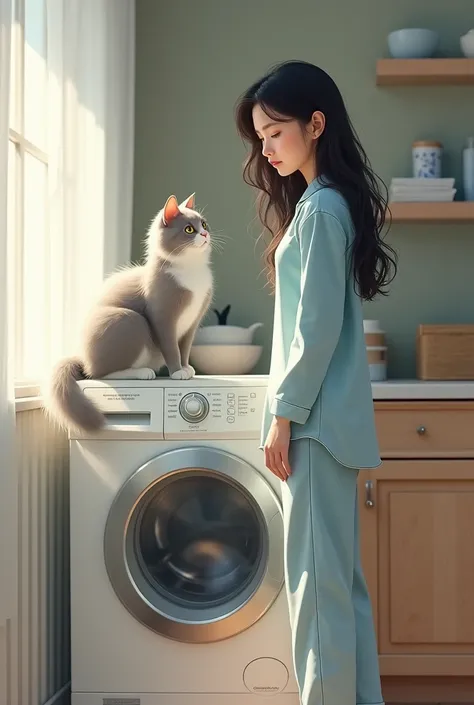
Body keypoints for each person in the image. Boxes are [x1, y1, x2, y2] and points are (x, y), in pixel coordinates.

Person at [235, 60, 397, 705]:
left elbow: (315, 331)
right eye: (261, 138)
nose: (267, 149)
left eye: (276, 133)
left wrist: (283, 416)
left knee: (316, 589)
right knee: (338, 588)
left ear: (315, 124)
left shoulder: (321, 209)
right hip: (330, 426)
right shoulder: (324, 204)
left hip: (314, 426)